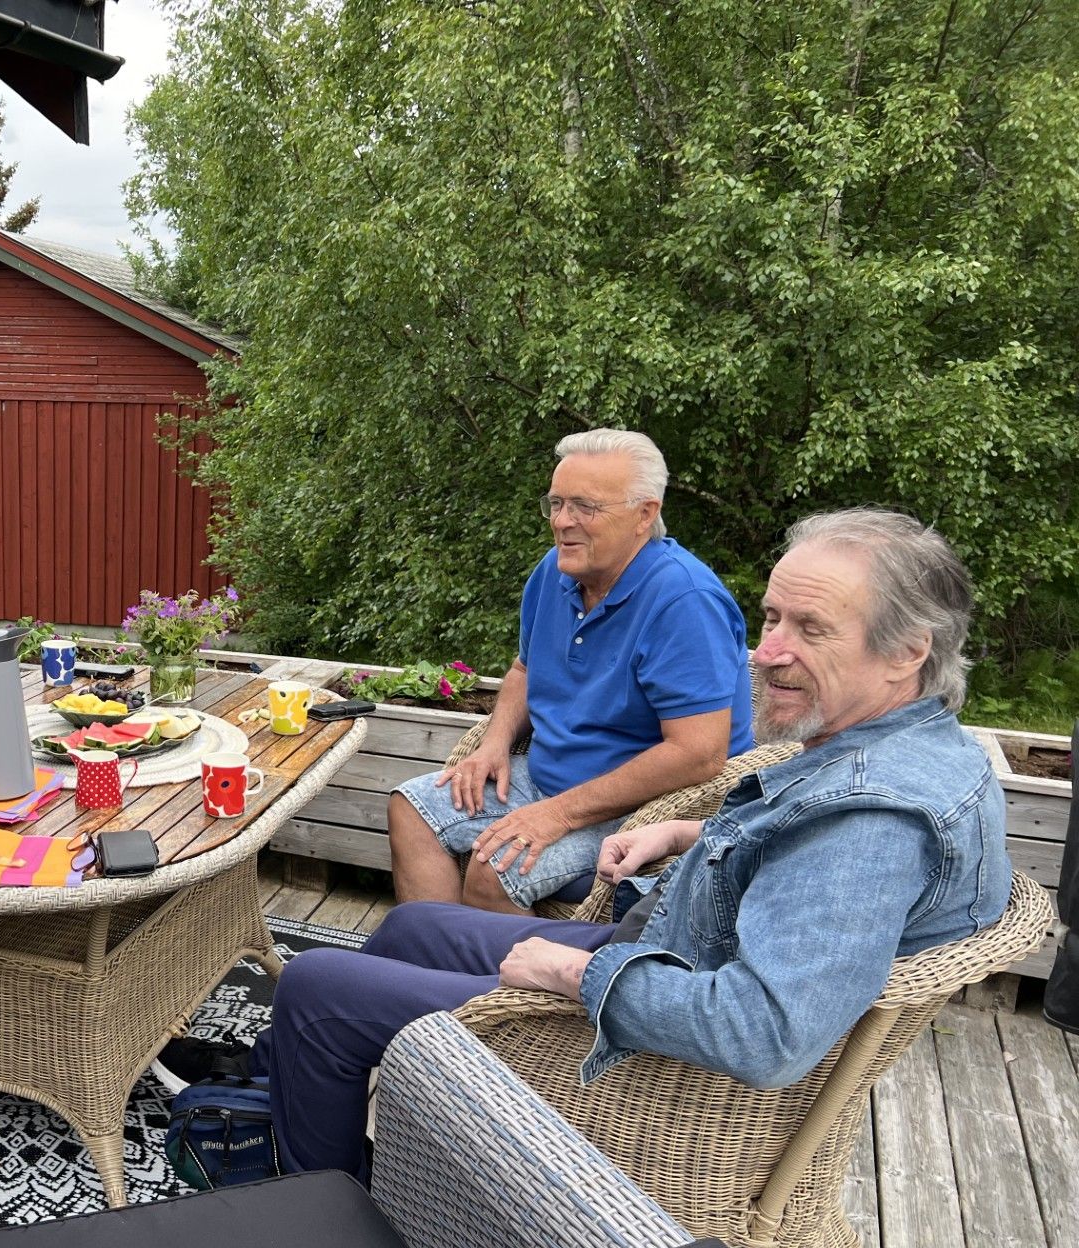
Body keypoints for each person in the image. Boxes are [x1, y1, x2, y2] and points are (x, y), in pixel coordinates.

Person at [165, 509, 1012, 1179]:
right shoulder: (914, 748)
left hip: (644, 1058)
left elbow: (762, 1033)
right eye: (772, 618)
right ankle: (288, 1091)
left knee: (315, 983)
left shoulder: (870, 822)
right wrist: (693, 833)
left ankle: (316, 1204)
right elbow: (796, 868)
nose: (767, 651)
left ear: (908, 653)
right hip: (666, 947)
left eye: (810, 630)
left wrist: (571, 970)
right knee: (405, 931)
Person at [389, 429, 754, 912]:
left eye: (585, 507)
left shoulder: (684, 601)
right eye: (556, 503)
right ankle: (428, 966)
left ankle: (492, 988)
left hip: (639, 809)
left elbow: (698, 754)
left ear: (645, 513)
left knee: (496, 865)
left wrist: (557, 814)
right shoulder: (556, 571)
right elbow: (523, 669)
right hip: (543, 778)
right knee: (410, 809)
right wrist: (494, 744)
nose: (563, 522)